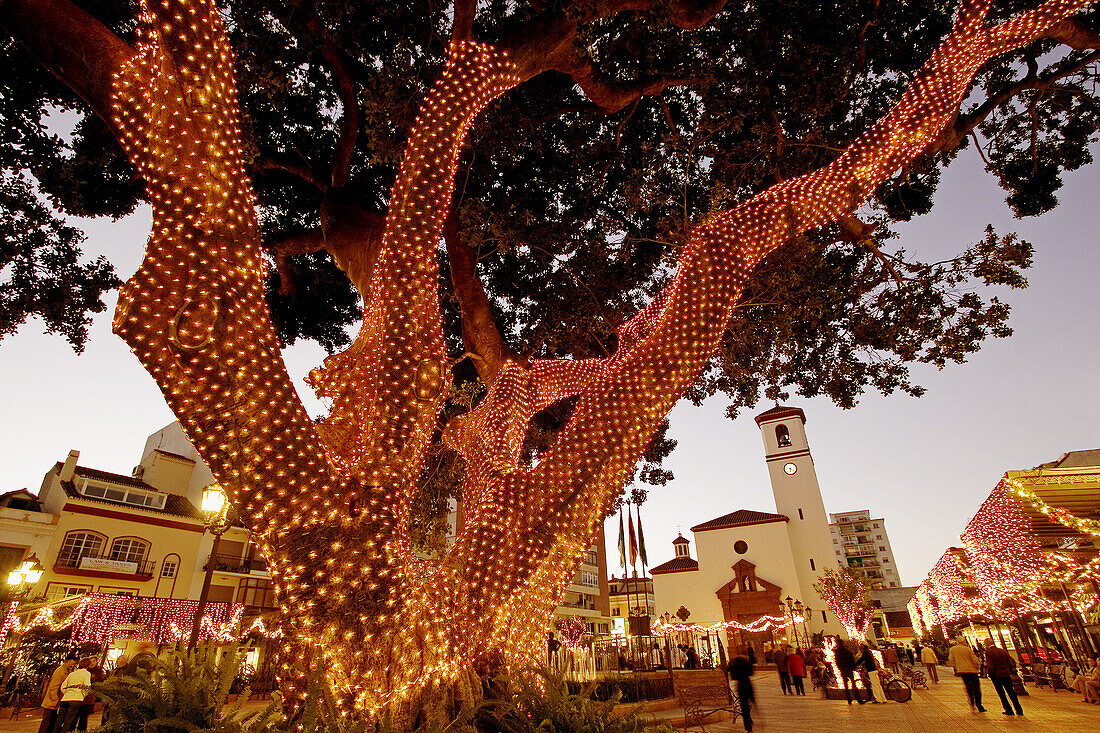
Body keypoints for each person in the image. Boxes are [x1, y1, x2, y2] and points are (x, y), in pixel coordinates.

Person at [982, 639, 1023, 716]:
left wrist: (989, 674)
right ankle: (1019, 709)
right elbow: (1009, 661)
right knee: (1011, 691)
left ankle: (1008, 709)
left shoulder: (989, 652)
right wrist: (1010, 671)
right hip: (1006, 674)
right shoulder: (1002, 650)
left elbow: (990, 665)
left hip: (996, 675)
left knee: (1001, 693)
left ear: (987, 644)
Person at [38, 654, 77, 733]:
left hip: (56, 702)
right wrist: (55, 699)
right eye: (73, 661)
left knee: (52, 723)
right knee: (46, 723)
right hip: (51, 703)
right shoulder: (60, 671)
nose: (74, 663)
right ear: (68, 661)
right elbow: (54, 686)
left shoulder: (66, 671)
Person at [53, 658, 92, 733]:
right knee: (68, 721)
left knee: (59, 720)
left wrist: (66, 693)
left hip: (65, 698)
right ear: (88, 665)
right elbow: (87, 687)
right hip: (76, 698)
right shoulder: (87, 674)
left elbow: (63, 685)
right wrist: (82, 695)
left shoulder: (72, 674)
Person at [948, 638, 985, 712]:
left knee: (968, 687)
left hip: (962, 671)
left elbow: (951, 660)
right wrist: (977, 667)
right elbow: (974, 660)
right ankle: (979, 705)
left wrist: (957, 667)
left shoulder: (952, 649)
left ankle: (972, 703)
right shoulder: (967, 649)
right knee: (976, 688)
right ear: (963, 642)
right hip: (972, 670)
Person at [728, 654, 755, 732]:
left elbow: (733, 677)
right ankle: (750, 720)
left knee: (744, 707)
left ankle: (748, 726)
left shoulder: (735, 665)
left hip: (741, 687)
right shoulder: (746, 663)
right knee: (750, 705)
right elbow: (751, 673)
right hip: (748, 685)